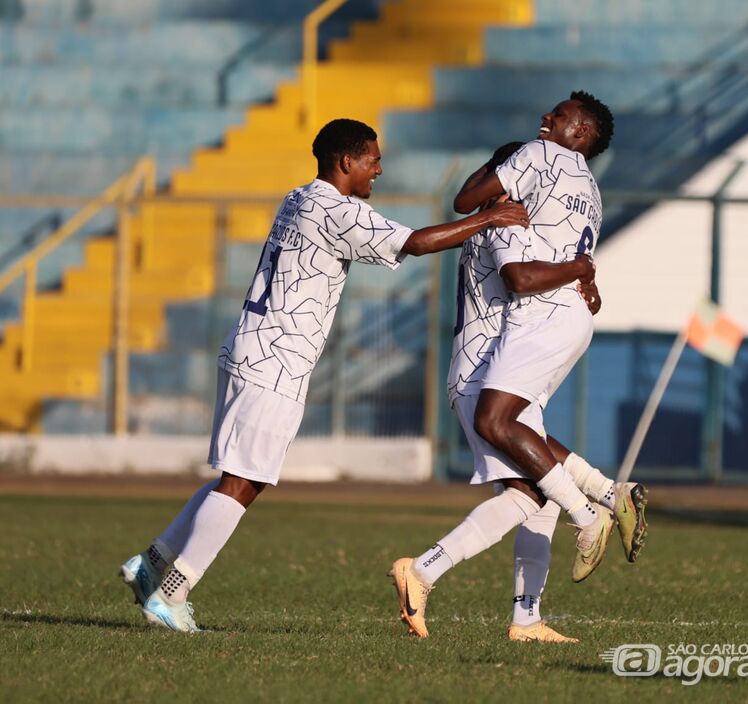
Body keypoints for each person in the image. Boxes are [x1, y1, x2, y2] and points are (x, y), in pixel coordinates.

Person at [118, 118, 530, 633]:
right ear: (346, 162)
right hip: (276, 358)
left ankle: (152, 565)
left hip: (253, 347)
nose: (379, 168)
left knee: (239, 478)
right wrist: (490, 221)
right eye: (372, 159)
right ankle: (172, 593)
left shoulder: (300, 197)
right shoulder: (336, 210)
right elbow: (419, 243)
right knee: (243, 481)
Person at [389, 140, 648, 642]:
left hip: (497, 367)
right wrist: (579, 273)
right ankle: (421, 571)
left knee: (540, 491)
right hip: (483, 374)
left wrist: (579, 282)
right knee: (530, 495)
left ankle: (527, 617)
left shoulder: (497, 223)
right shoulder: (503, 223)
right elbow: (521, 277)